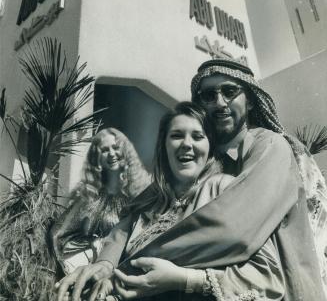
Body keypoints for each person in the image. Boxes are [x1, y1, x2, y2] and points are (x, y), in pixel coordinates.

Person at [56, 101, 285, 301]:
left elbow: (269, 277)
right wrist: (104, 268)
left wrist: (185, 280)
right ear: (163, 146)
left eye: (198, 136)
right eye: (176, 135)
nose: (187, 144)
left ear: (209, 149)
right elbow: (116, 242)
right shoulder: (147, 203)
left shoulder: (224, 189)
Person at [51, 127, 150, 274]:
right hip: (90, 275)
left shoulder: (143, 195)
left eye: (116, 147)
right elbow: (57, 234)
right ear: (97, 158)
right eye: (104, 150)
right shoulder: (89, 196)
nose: (111, 153)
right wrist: (94, 245)